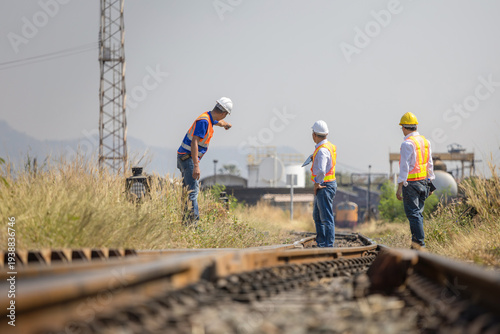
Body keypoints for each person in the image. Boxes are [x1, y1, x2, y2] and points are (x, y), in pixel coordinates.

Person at [177, 97, 233, 226]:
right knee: (193, 191)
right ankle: (193, 225)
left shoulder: (208, 117)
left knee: (187, 191)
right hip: (188, 159)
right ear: (224, 113)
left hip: (184, 157)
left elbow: (216, 122)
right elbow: (194, 142)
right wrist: (196, 165)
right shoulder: (204, 121)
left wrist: (225, 124)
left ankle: (186, 222)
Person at [396, 112, 435, 249]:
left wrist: (400, 187)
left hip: (411, 184)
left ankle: (419, 244)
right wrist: (430, 181)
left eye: (402, 127)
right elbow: (429, 163)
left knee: (413, 214)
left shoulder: (407, 144)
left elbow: (404, 167)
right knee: (418, 214)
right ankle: (416, 244)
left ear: (404, 128)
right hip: (424, 182)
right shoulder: (426, 142)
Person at [310, 120, 337, 247]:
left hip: (324, 185)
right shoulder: (328, 146)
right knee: (317, 215)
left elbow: (321, 170)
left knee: (326, 217)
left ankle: (328, 245)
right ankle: (322, 242)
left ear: (314, 134)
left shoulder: (322, 150)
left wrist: (317, 183)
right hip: (327, 184)